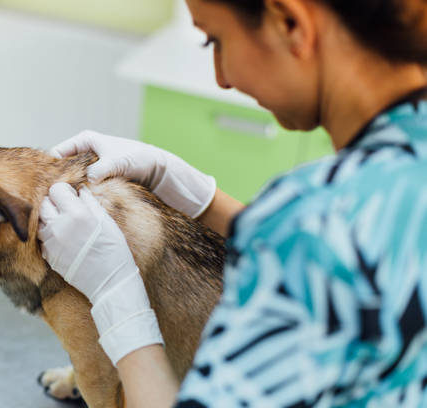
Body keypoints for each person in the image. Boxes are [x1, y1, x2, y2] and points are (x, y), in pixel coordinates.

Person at [37, 0, 427, 406]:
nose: (222, 78)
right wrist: (198, 196)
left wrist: (117, 300)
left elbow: (317, 243)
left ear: (290, 22)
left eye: (215, 41)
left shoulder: (312, 225)